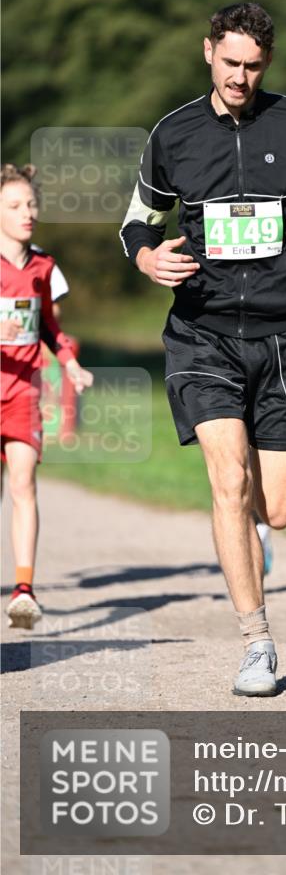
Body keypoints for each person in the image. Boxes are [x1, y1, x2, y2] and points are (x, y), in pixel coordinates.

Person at [119, 2, 286, 696]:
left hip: (285, 334)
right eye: (230, 63)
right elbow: (139, 218)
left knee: (275, 508)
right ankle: (256, 640)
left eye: (253, 66)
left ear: (267, 64)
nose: (241, 77)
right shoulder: (175, 133)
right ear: (207, 53)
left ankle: (259, 533)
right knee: (229, 483)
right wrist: (144, 259)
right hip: (203, 330)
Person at [1, 163, 94, 629]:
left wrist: (70, 363)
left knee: (23, 485)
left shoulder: (42, 265)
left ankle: (23, 590)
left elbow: (51, 328)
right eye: (15, 206)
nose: (27, 213)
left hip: (22, 392)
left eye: (31, 205)